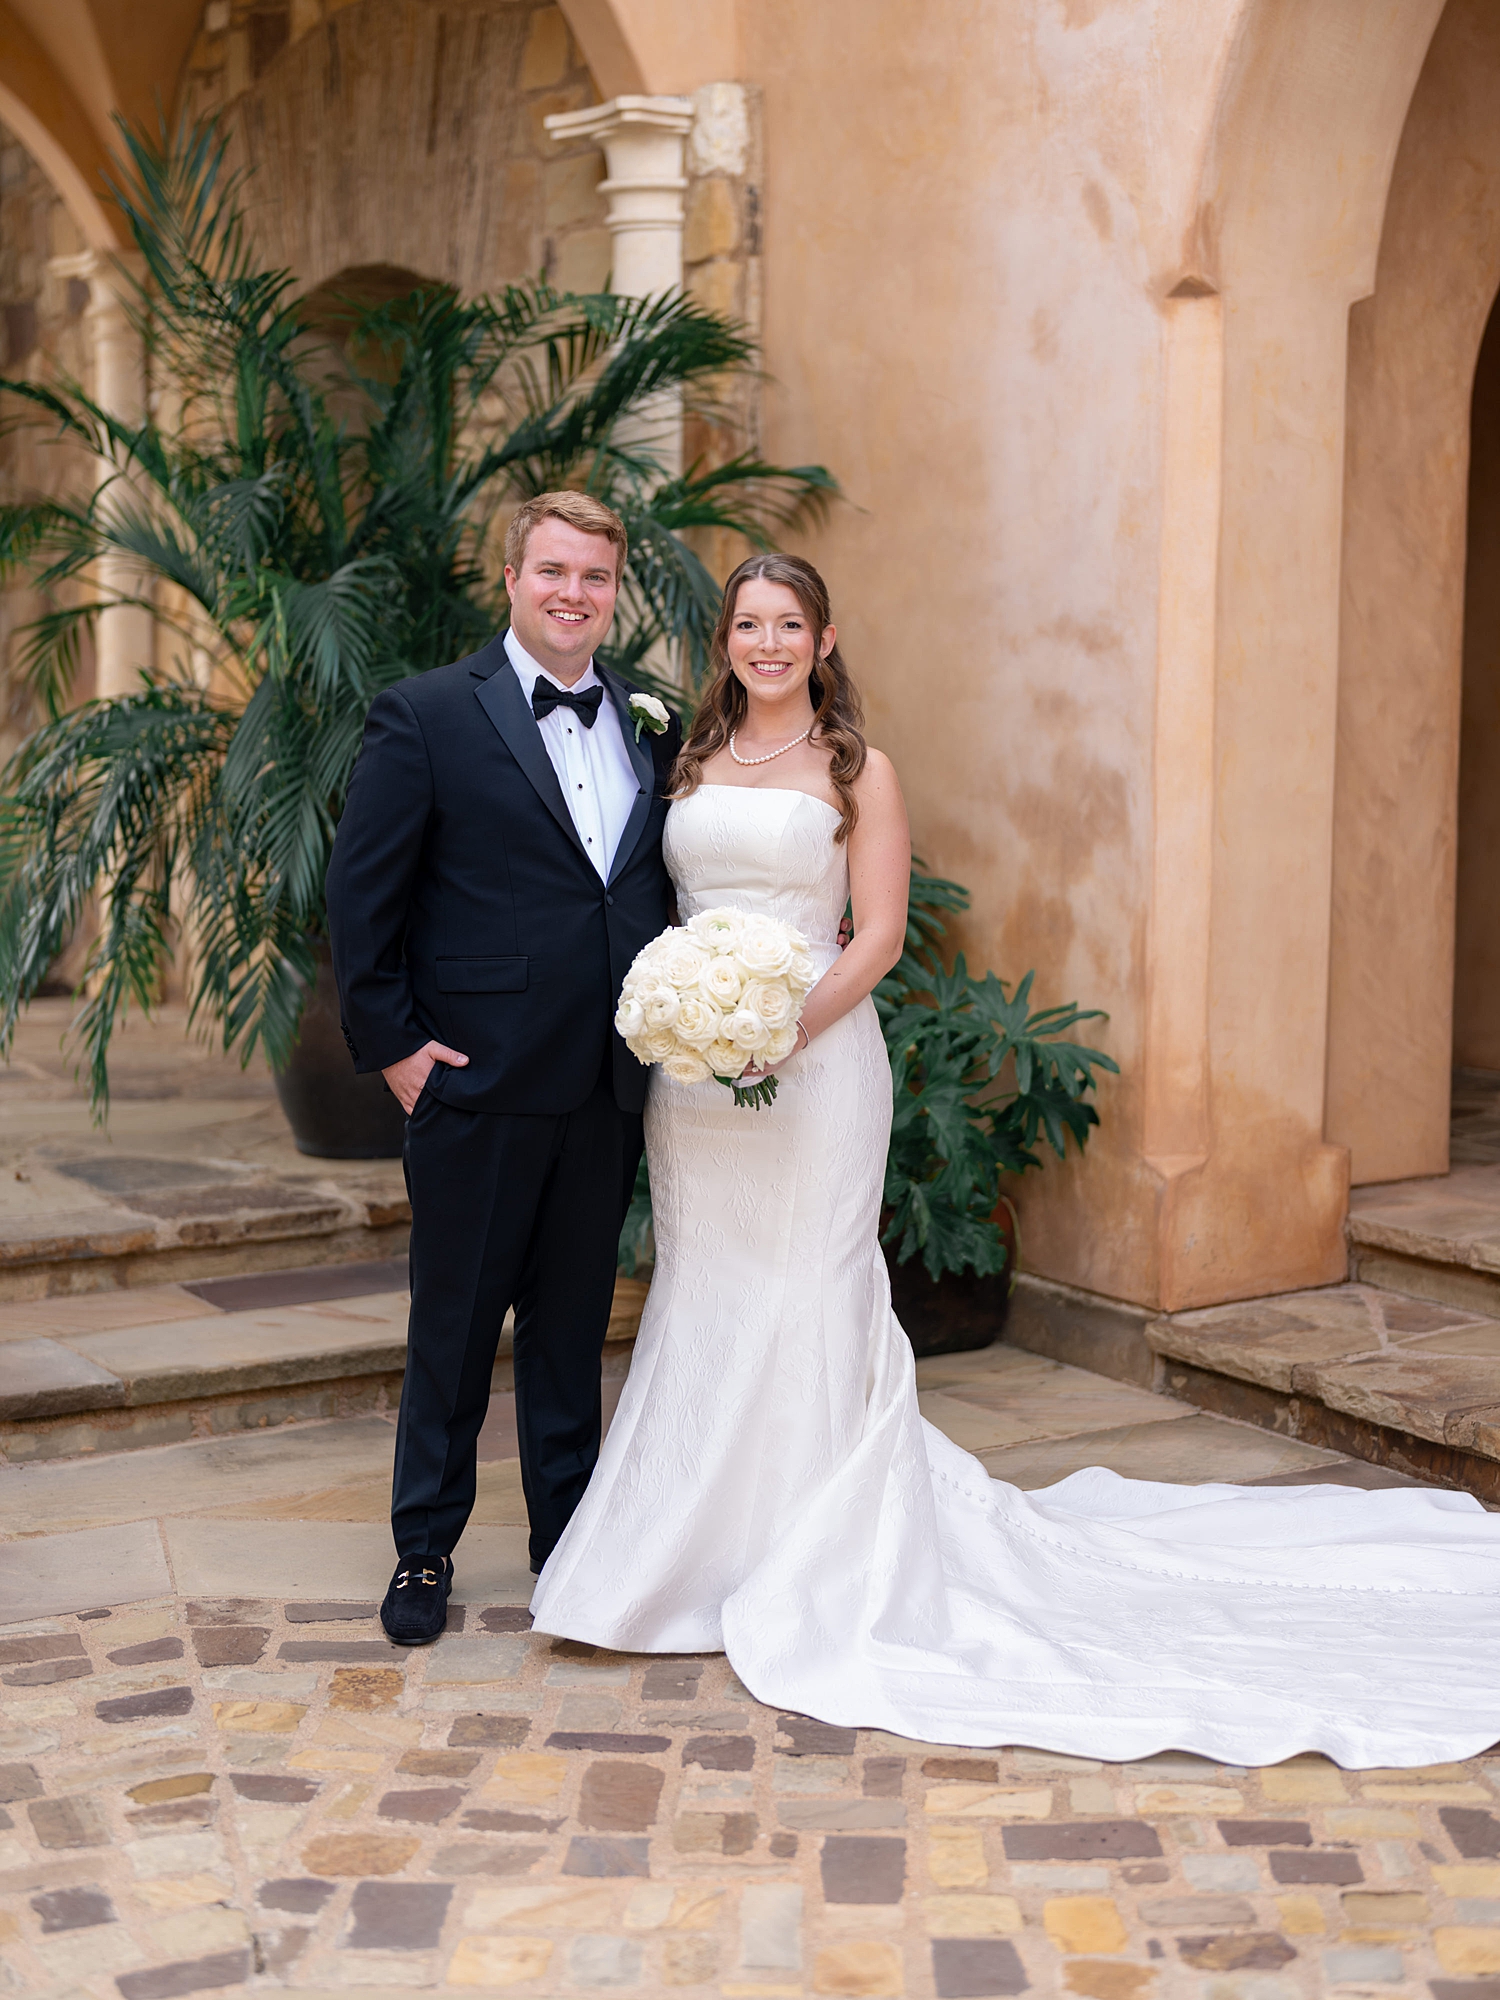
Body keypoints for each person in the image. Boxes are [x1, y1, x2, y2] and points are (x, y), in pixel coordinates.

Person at [530, 550, 1500, 1766]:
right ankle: (690, 1550)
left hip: (815, 1062)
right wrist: (693, 1023)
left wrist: (778, 1029)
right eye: (747, 625)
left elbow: (877, 936)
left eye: (788, 624)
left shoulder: (856, 769)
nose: (766, 643)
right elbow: (666, 915)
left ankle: (814, 1554)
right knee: (709, 1288)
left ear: (826, 640)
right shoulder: (685, 761)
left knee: (805, 1289)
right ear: (723, 641)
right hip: (700, 1089)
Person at [326, 492, 680, 1645]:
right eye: (553, 570)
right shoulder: (426, 712)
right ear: (512, 578)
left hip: (604, 1083)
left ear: (612, 591)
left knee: (573, 1332)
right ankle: (423, 1549)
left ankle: (565, 1544)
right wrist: (394, 1049)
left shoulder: (653, 723)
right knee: (456, 1326)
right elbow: (360, 893)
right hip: (473, 1078)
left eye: (594, 576)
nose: (573, 592)